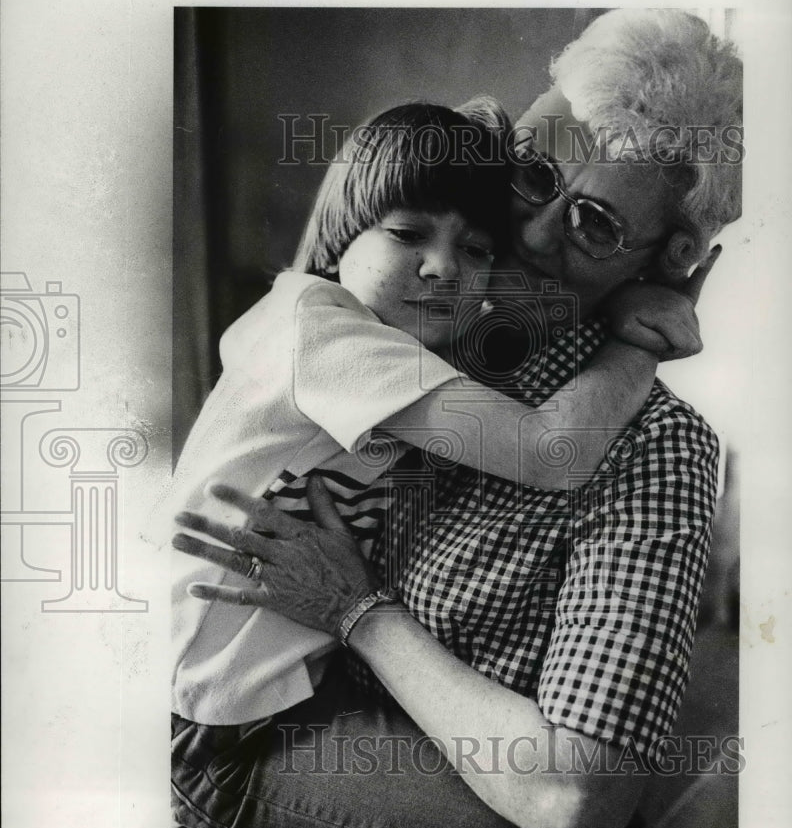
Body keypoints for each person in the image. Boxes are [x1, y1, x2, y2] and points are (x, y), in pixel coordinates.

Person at [171, 8, 742, 828]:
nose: (528, 232)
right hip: (266, 811)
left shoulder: (652, 450)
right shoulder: (394, 333)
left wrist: (358, 612)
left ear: (671, 261)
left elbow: (573, 804)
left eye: (592, 220)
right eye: (533, 173)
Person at [170, 98, 698, 727]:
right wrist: (635, 344)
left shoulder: (378, 331)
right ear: (344, 232)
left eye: (477, 250)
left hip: (276, 682)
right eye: (407, 235)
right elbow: (549, 450)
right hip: (219, 703)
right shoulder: (328, 335)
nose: (445, 266)